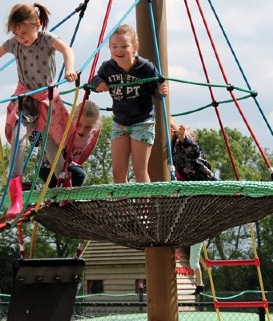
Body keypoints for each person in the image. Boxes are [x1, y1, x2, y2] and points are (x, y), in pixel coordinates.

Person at [0, 3, 77, 216]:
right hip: (25, 98)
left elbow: (66, 50)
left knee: (52, 148)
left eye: (24, 32)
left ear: (38, 25)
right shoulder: (14, 44)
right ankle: (16, 198)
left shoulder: (47, 39)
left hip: (46, 98)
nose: (21, 37)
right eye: (16, 33)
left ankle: (65, 187)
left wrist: (69, 69)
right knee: (18, 140)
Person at [90, 24, 168, 183]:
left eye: (124, 46)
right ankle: (123, 207)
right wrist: (98, 85)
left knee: (140, 170)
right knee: (118, 172)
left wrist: (161, 91)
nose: (118, 50)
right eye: (114, 46)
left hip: (142, 122)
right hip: (120, 122)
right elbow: (95, 80)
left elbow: (157, 88)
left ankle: (145, 208)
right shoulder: (108, 67)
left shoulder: (145, 67)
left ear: (134, 48)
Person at [170, 118, 217, 295]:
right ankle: (200, 284)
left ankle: (199, 284)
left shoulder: (183, 143)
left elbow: (194, 152)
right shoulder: (171, 149)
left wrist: (184, 140)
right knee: (193, 262)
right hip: (189, 189)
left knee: (194, 262)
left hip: (201, 180)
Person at [38, 99, 101, 187]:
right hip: (48, 165)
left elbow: (89, 148)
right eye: (79, 124)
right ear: (72, 119)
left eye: (88, 127)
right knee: (79, 175)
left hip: (67, 166)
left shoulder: (93, 132)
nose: (82, 130)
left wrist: (78, 165)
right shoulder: (66, 127)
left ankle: (57, 199)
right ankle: (62, 198)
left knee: (78, 175)